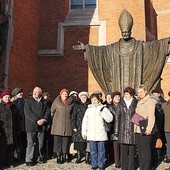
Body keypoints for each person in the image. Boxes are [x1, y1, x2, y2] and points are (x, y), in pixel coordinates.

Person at [73, 9, 170, 95]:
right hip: (118, 82)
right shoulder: (114, 48)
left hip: (135, 79)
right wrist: (86, 48)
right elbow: (102, 52)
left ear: (130, 31)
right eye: (123, 32)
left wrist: (166, 42)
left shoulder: (140, 46)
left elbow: (153, 47)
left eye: (127, 32)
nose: (125, 34)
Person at [82, 93, 113, 170]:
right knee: (93, 151)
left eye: (95, 99)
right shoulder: (88, 110)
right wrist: (84, 132)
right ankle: (94, 164)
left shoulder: (104, 108)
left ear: (99, 100)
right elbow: (85, 121)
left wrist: (103, 114)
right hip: (91, 133)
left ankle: (101, 165)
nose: (93, 101)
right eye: (92, 100)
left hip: (101, 133)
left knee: (101, 151)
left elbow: (110, 118)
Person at [24, 87, 51, 166]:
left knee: (40, 143)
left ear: (41, 93)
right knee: (31, 143)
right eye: (34, 92)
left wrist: (44, 119)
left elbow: (48, 111)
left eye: (37, 92)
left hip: (41, 125)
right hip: (31, 125)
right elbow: (28, 112)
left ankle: (38, 157)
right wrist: (37, 120)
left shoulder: (44, 102)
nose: (35, 94)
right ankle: (29, 159)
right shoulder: (28, 101)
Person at [134, 85, 157, 170]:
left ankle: (147, 168)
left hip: (146, 129)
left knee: (146, 152)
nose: (140, 94)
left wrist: (149, 128)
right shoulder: (139, 101)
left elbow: (152, 115)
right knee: (140, 151)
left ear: (145, 91)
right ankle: (142, 167)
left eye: (141, 92)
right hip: (138, 129)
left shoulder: (150, 101)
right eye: (138, 92)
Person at [51, 89, 74, 164]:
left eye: (66, 94)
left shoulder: (71, 103)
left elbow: (73, 113)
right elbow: (52, 111)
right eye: (63, 94)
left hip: (67, 124)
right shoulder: (56, 102)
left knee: (65, 141)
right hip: (57, 124)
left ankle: (64, 155)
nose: (65, 95)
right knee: (57, 142)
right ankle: (58, 156)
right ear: (60, 95)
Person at [0, 90, 20, 168]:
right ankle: (1, 163)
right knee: (2, 149)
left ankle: (9, 162)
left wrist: (18, 129)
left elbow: (17, 119)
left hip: (12, 130)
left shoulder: (13, 106)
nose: (7, 98)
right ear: (2, 98)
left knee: (10, 148)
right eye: (5, 97)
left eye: (9, 97)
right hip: (3, 131)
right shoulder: (0, 107)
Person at [119, 87, 138, 170]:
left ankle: (131, 167)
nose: (126, 95)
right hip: (123, 130)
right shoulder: (121, 103)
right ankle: (124, 167)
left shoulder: (136, 103)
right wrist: (117, 131)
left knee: (132, 151)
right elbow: (117, 117)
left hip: (132, 129)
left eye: (127, 94)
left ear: (131, 94)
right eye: (125, 94)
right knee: (123, 151)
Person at [71, 91, 90, 163]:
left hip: (87, 126)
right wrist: (74, 126)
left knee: (87, 142)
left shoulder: (89, 105)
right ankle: (79, 157)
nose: (83, 98)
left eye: (85, 97)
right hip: (78, 126)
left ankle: (87, 157)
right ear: (80, 98)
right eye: (82, 97)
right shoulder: (76, 105)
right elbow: (73, 116)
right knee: (78, 143)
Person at [107, 91, 121, 169]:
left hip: (122, 130)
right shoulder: (109, 107)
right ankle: (117, 163)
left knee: (122, 147)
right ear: (112, 99)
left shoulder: (122, 106)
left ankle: (122, 161)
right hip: (113, 130)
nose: (117, 98)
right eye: (116, 97)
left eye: (118, 97)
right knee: (115, 148)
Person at [11, 87, 26, 161]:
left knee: (23, 142)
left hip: (23, 125)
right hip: (15, 125)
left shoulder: (24, 101)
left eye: (22, 92)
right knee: (15, 142)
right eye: (19, 92)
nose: (21, 94)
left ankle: (22, 156)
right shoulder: (12, 102)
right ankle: (15, 157)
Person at [162, 91, 170, 163]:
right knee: (168, 144)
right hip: (167, 128)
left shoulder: (165, 105)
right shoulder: (164, 106)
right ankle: (169, 156)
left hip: (167, 127)